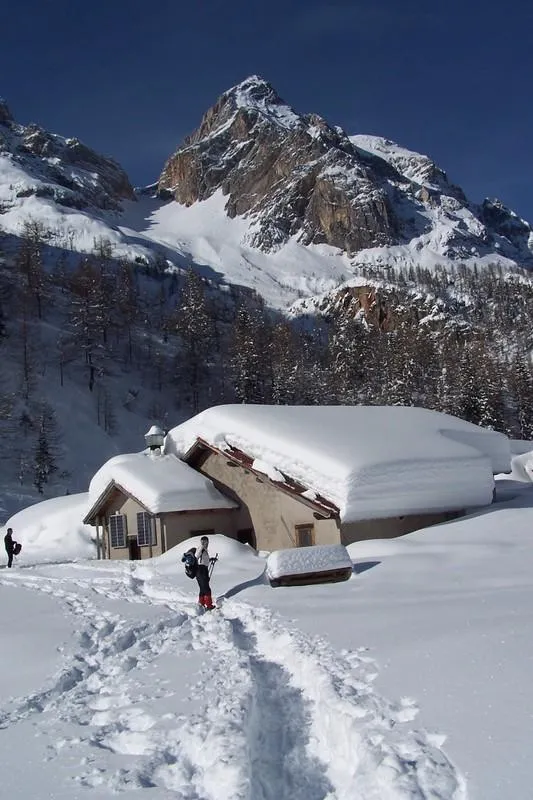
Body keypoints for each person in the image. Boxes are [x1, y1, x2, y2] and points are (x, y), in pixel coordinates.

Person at [195, 536, 217, 609]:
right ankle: (209, 605)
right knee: (207, 589)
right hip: (201, 570)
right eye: (205, 542)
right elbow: (196, 557)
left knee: (202, 588)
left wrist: (211, 559)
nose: (206, 543)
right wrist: (201, 548)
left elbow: (203, 560)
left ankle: (201, 604)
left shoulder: (204, 549)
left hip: (203, 569)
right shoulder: (200, 549)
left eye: (207, 542)